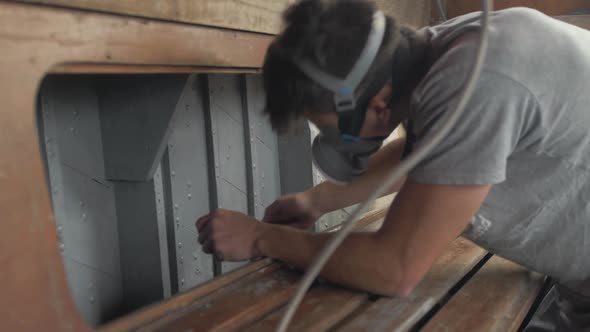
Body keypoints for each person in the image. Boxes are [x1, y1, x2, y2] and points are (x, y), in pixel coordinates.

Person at [196, 0, 590, 330]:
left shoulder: (477, 82)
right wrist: (317, 201)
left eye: (338, 131)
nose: (343, 145)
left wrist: (261, 238)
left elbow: (395, 268)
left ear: (380, 104)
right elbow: (430, 154)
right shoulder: (448, 48)